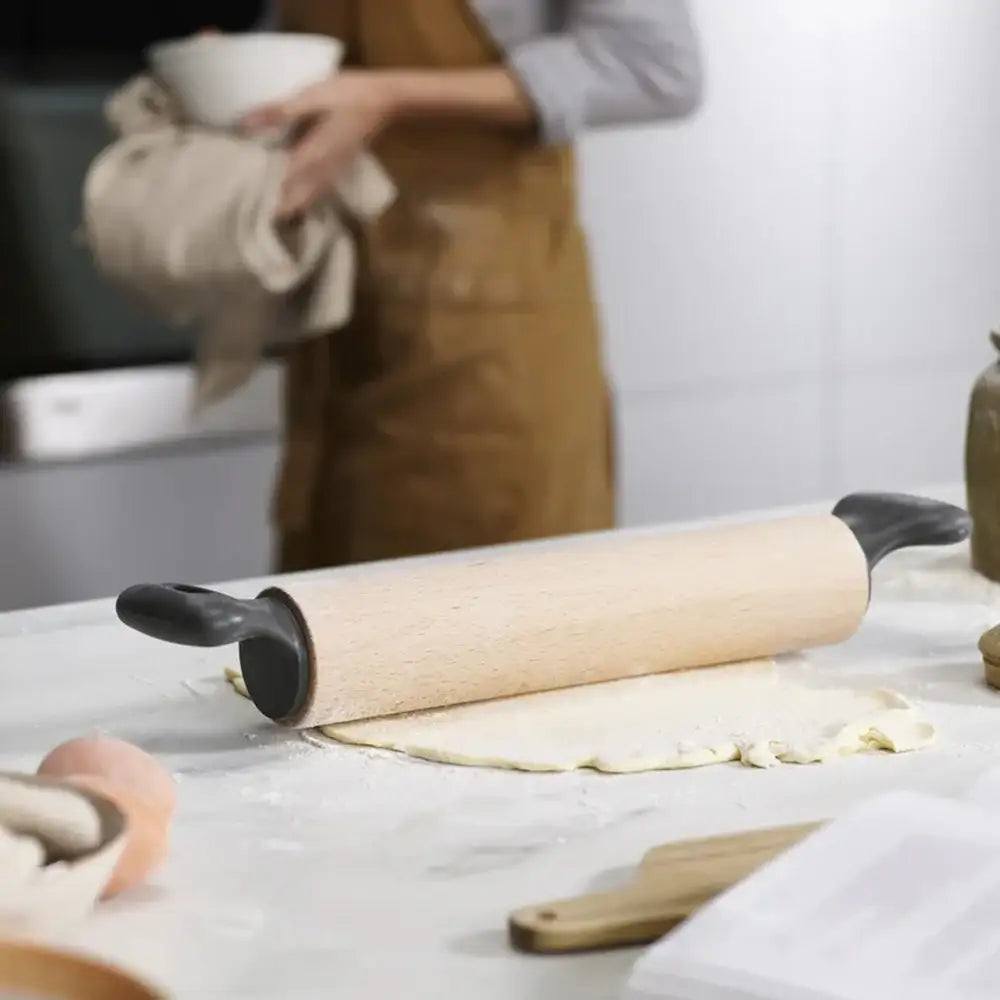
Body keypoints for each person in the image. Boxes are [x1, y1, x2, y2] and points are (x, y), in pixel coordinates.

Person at [244, 0, 703, 572]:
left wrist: (388, 96)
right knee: (341, 623)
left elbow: (658, 67)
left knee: (511, 617)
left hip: (496, 345)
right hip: (345, 328)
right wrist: (248, 71)